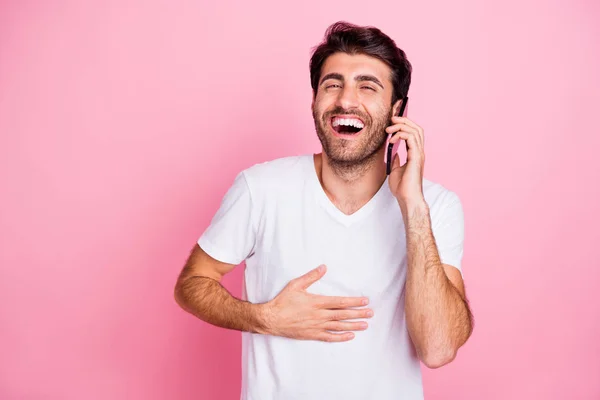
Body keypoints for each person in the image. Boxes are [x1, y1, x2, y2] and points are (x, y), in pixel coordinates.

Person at [174, 21, 474, 400]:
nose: (346, 101)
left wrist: (413, 206)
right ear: (315, 101)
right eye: (332, 85)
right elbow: (191, 285)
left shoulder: (436, 206)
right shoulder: (261, 188)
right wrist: (264, 318)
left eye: (368, 86)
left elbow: (438, 348)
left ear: (398, 111)